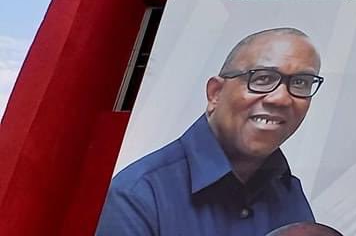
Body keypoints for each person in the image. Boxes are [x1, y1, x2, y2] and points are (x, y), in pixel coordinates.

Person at [97, 28, 326, 235]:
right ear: (215, 93)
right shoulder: (139, 195)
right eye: (263, 78)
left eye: (301, 83)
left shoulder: (287, 191)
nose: (281, 98)